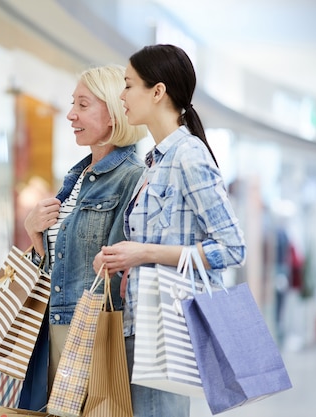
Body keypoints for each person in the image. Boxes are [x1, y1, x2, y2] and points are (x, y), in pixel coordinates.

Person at [93, 44, 247, 417]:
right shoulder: (155, 162)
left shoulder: (189, 156)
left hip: (167, 332)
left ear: (157, 91)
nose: (122, 95)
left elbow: (231, 248)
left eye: (128, 85)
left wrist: (143, 253)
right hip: (140, 323)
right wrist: (123, 257)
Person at [17, 64, 147, 410]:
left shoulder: (133, 179)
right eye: (72, 104)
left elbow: (120, 271)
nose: (71, 114)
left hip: (93, 333)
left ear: (113, 113)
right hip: (52, 328)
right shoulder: (74, 179)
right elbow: (54, 266)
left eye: (83, 105)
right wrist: (34, 233)